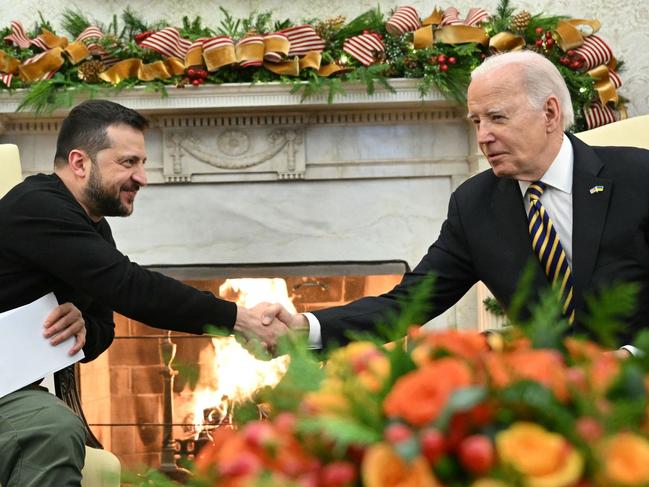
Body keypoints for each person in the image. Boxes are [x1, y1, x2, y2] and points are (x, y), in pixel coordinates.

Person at [266, 50, 649, 354]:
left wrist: (631, 357)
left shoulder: (638, 176)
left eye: (497, 117)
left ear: (549, 113)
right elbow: (408, 303)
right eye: (476, 121)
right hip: (550, 406)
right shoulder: (476, 204)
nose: (483, 136)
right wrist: (306, 327)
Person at [0, 99, 289, 487]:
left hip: (14, 385)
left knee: (51, 422)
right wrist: (239, 319)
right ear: (80, 162)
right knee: (52, 427)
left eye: (142, 163)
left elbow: (105, 325)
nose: (142, 177)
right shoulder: (38, 206)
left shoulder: (91, 226)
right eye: (128, 162)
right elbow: (130, 287)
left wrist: (84, 326)